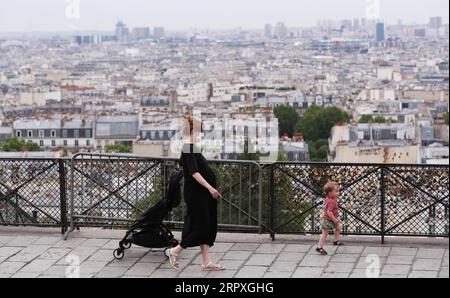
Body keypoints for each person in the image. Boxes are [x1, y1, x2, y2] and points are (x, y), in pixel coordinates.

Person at [165, 116, 226, 271]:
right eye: (201, 126)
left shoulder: (190, 147)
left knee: (203, 225)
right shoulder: (189, 147)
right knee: (200, 226)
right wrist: (210, 187)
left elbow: (182, 164)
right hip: (197, 194)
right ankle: (175, 251)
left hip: (200, 193)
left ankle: (206, 261)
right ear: (195, 129)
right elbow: (194, 173)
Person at [316, 181, 344, 255]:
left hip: (328, 219)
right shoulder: (332, 201)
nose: (338, 193)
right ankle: (319, 247)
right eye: (336, 191)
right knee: (325, 234)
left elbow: (325, 208)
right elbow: (329, 212)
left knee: (338, 228)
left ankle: (336, 240)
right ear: (330, 193)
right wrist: (335, 220)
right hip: (328, 220)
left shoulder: (328, 198)